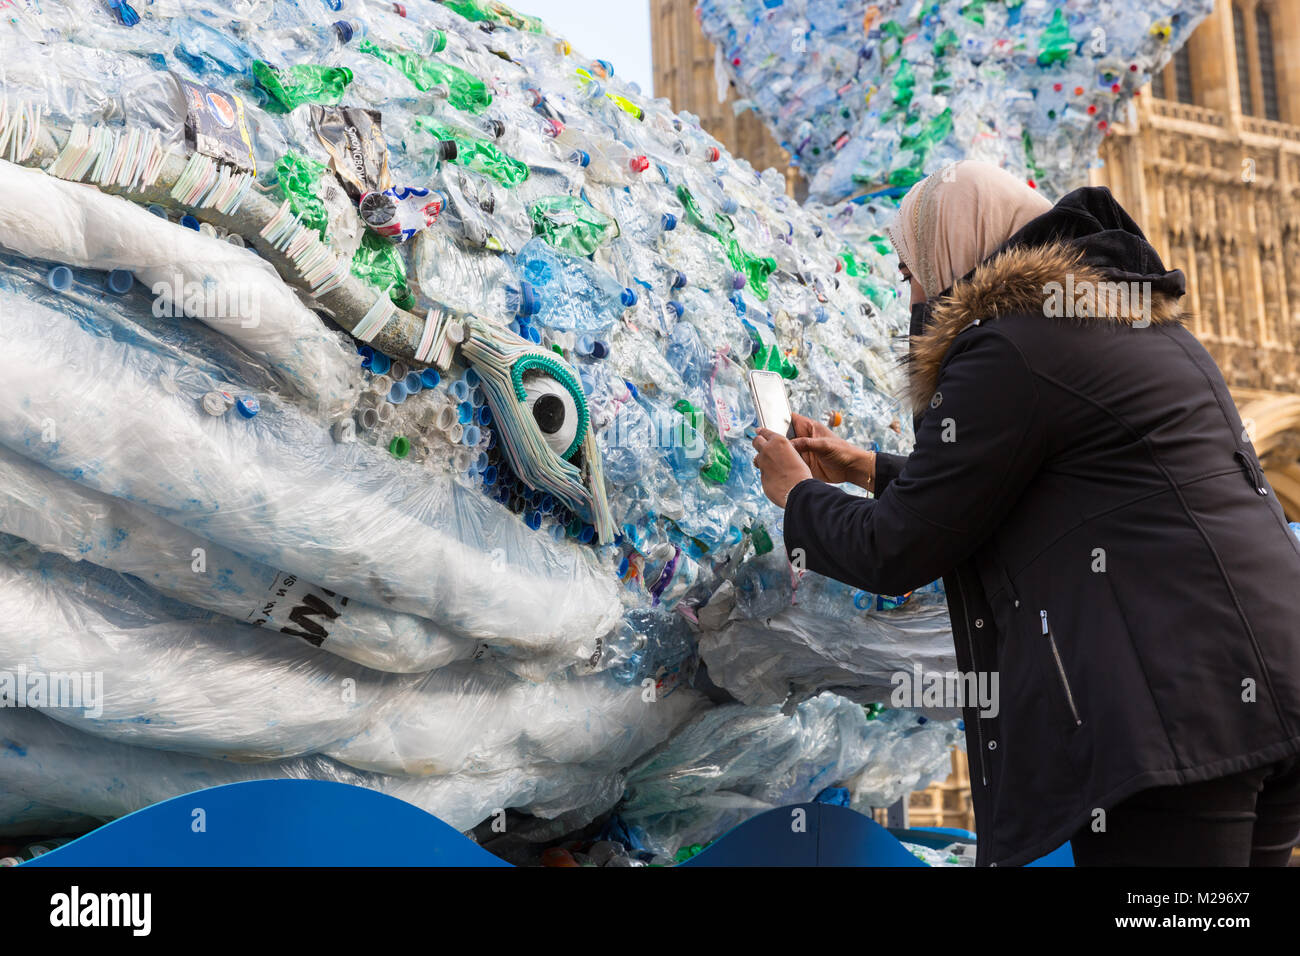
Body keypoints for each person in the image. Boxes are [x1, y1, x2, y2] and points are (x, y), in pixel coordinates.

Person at [751, 160, 1300, 867]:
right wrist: (870, 468)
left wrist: (797, 495)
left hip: (1174, 720)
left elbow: (899, 549)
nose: (912, 293)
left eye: (911, 270)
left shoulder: (1006, 343)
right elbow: (1037, 485)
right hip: (1270, 687)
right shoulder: (1130, 320)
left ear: (956, 248)